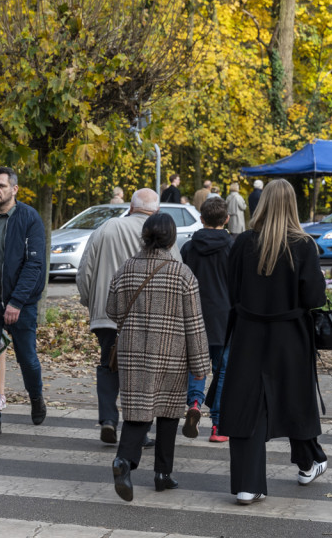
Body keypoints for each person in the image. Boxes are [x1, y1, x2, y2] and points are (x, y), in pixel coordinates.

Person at [219, 178, 329, 506]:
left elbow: (232, 290)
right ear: (292, 205)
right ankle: (307, 462)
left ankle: (247, 484)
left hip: (249, 332)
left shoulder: (243, 242)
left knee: (247, 404)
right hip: (290, 334)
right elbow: (314, 297)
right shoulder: (304, 245)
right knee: (295, 398)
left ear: (262, 203)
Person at [106, 213, 210, 502]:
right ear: (172, 238)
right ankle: (162, 473)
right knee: (168, 413)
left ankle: (124, 461)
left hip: (132, 352)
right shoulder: (182, 274)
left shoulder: (126, 268)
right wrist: (200, 365)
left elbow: (112, 310)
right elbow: (194, 324)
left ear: (145, 236)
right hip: (171, 354)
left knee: (138, 410)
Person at [77, 188, 180, 446]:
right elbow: (176, 271)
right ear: (157, 211)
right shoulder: (163, 233)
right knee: (142, 373)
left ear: (131, 207)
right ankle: (139, 432)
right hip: (148, 318)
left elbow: (85, 271)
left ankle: (108, 419)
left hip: (106, 316)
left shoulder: (107, 227)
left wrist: (91, 302)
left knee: (108, 364)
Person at [0, 166, 47, 438]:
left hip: (20, 301)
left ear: (14, 189)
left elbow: (35, 265)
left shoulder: (29, 218)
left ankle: (36, 397)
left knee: (27, 358)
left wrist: (16, 302)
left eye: (1, 186)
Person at [180, 197, 233, 443]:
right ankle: (218, 426)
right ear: (227, 219)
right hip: (225, 317)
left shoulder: (188, 248)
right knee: (222, 371)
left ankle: (194, 402)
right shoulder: (233, 248)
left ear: (201, 219)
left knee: (196, 366)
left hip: (194, 316)